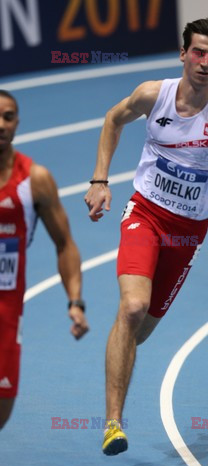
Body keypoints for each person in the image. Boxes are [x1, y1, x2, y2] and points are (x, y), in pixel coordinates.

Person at [84, 17, 208, 456]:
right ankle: (112, 424)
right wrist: (100, 179)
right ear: (183, 54)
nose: (205, 62)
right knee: (132, 306)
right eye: (198, 52)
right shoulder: (153, 94)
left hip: (187, 233)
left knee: (138, 331)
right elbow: (113, 119)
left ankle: (121, 341)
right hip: (145, 214)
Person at [0, 90, 89, 429]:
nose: (0, 124)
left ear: (18, 123)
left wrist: (75, 302)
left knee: (3, 406)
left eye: (8, 117)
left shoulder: (35, 180)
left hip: (6, 308)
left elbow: (65, 244)